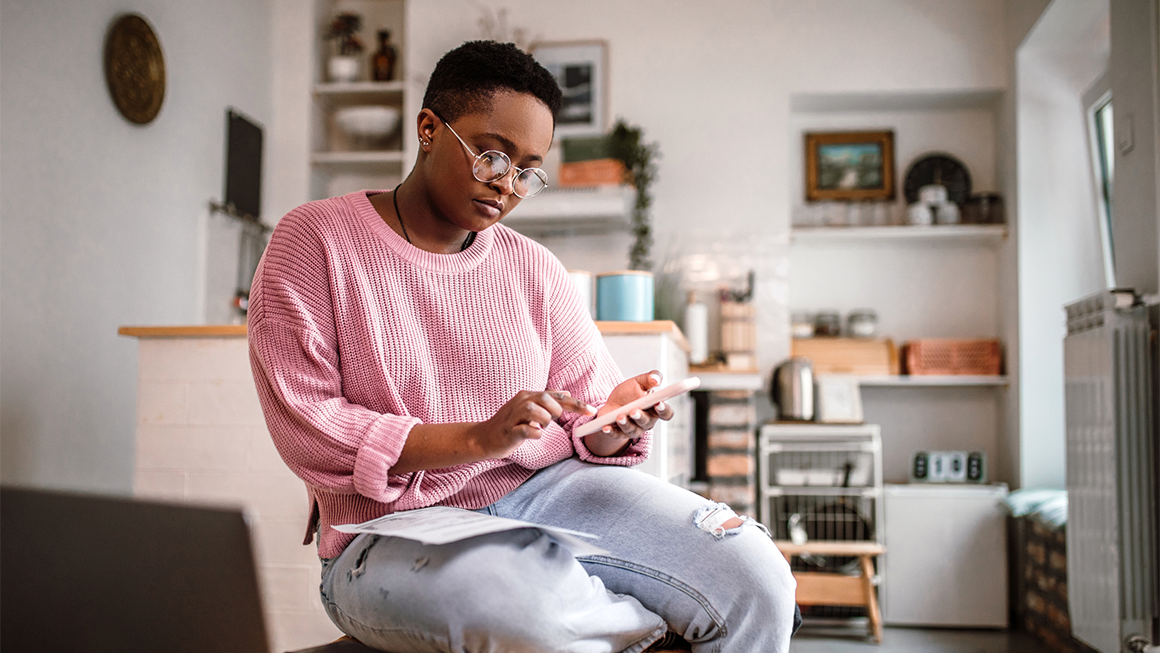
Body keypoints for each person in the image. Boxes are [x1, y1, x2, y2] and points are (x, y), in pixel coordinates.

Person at [248, 40, 797, 653]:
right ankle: (643, 632)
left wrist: (613, 420)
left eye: (528, 170)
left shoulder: (533, 267)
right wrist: (480, 438)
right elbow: (309, 427)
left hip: (547, 495)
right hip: (386, 530)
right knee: (513, 605)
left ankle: (598, 615)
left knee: (756, 576)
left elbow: (585, 422)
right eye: (491, 156)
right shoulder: (315, 240)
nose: (507, 185)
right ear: (429, 129)